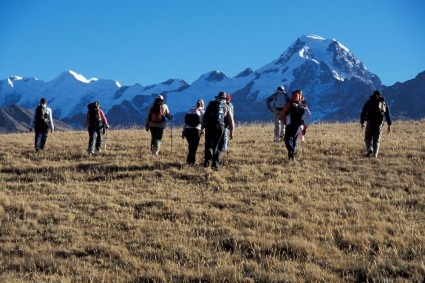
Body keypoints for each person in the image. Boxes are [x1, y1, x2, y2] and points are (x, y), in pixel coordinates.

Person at [201, 91, 234, 170]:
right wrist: (231, 132)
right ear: (225, 99)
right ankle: (215, 164)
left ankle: (207, 159)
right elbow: (231, 120)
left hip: (209, 126)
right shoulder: (226, 106)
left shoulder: (210, 105)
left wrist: (202, 129)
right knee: (219, 145)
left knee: (208, 143)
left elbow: (204, 118)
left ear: (217, 98)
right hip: (220, 127)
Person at [360, 90, 392, 158]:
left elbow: (363, 113)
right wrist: (389, 125)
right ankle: (375, 155)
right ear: (380, 95)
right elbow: (387, 115)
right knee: (377, 140)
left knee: (367, 137)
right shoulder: (384, 103)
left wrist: (362, 123)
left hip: (370, 121)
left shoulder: (369, 102)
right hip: (379, 123)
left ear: (373, 95)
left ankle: (369, 149)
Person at [280, 89, 310, 160]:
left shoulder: (289, 103)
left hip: (289, 123)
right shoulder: (303, 104)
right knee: (295, 140)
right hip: (298, 125)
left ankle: (291, 150)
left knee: (288, 139)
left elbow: (283, 112)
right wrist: (305, 129)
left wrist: (283, 121)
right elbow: (307, 115)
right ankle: (292, 154)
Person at [182, 99, 205, 165]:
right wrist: (203, 130)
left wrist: (183, 132)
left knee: (191, 145)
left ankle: (189, 161)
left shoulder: (190, 110)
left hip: (187, 130)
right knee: (194, 146)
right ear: (203, 104)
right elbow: (203, 122)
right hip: (196, 130)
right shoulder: (202, 111)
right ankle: (191, 162)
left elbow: (186, 122)